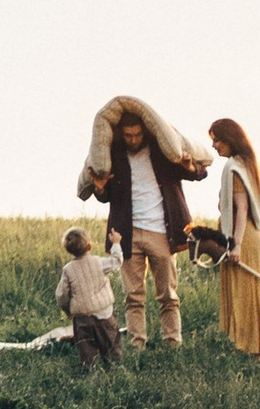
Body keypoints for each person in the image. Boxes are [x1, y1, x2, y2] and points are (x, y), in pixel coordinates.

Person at [87, 102, 204, 350]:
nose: (133, 139)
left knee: (168, 296)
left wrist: (189, 165)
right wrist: (98, 187)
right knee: (133, 297)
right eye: (128, 135)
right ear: (121, 134)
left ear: (145, 132)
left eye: (138, 134)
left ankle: (173, 342)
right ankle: (137, 344)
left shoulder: (163, 150)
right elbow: (105, 195)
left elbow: (198, 173)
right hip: (126, 233)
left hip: (162, 231)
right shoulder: (114, 155)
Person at [208, 117, 260, 363]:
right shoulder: (248, 164)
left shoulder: (234, 168)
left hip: (248, 239)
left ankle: (258, 355)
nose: (214, 146)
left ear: (229, 140)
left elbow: (241, 208)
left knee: (251, 296)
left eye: (217, 140)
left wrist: (236, 245)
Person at [54, 228, 122, 373]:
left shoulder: (68, 269)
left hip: (82, 318)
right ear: (89, 247)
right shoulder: (98, 262)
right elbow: (116, 261)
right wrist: (116, 243)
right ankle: (114, 369)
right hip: (104, 314)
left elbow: (61, 295)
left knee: (86, 349)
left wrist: (68, 310)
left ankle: (89, 370)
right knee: (111, 343)